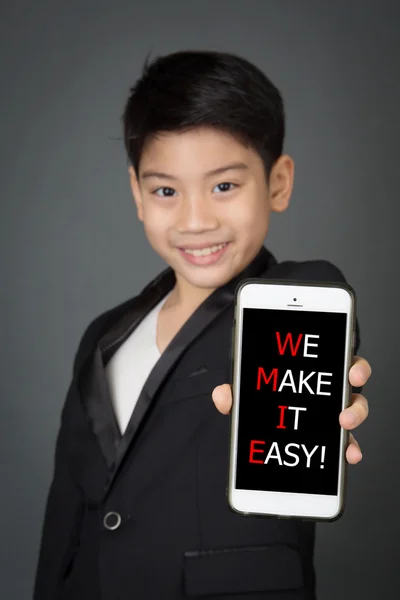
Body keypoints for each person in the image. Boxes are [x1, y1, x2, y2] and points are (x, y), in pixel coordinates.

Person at [33, 50, 371, 600]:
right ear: (137, 194)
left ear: (278, 182)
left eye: (224, 186)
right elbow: (65, 517)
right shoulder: (104, 336)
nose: (195, 220)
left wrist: (330, 360)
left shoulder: (291, 300)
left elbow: (314, 292)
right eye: (166, 190)